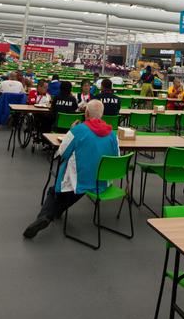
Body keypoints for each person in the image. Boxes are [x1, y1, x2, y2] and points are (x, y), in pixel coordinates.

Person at [23, 99, 120, 238]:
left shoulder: (78, 130)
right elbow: (116, 157)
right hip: (102, 182)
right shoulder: (112, 135)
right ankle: (55, 212)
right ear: (102, 115)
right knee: (77, 190)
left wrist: (71, 130)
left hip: (82, 180)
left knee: (56, 190)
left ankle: (45, 216)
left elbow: (63, 152)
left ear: (86, 113)